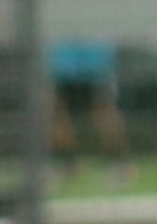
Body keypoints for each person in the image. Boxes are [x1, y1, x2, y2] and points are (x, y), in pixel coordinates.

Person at [48, 38, 133, 186]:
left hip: (93, 59)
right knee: (56, 112)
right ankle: (69, 164)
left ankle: (119, 163)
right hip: (64, 60)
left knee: (102, 110)